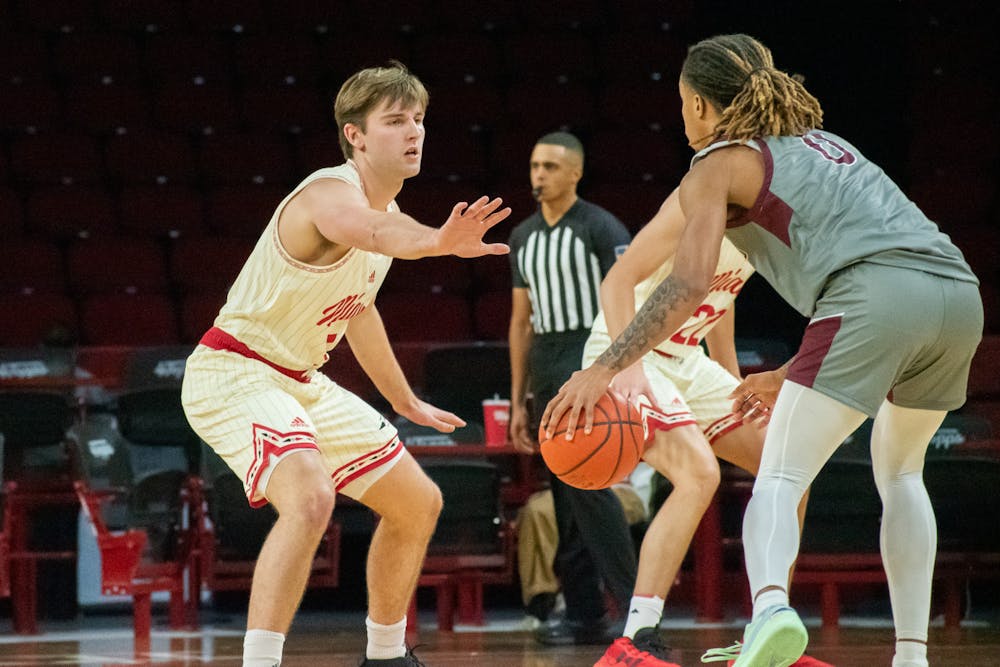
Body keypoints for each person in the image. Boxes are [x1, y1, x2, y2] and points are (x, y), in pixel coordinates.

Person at [542, 34, 983, 667]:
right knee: (902, 471)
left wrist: (606, 367)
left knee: (778, 473)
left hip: (869, 301)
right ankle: (909, 656)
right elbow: (878, 263)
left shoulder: (717, 166)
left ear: (698, 105)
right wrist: (782, 373)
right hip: (956, 294)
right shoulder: (828, 147)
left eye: (683, 102)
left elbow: (693, 284)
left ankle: (770, 616)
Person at [181, 61, 511, 667]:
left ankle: (386, 657)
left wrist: (404, 399)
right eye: (394, 121)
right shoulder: (328, 194)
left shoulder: (388, 205)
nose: (413, 131)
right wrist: (439, 241)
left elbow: (358, 310)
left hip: (299, 380)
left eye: (418, 120)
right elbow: (381, 233)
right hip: (234, 371)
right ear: (355, 135)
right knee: (309, 498)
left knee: (418, 502)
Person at [575, 188, 826, 667]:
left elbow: (722, 296)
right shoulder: (696, 198)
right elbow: (617, 282)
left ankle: (769, 629)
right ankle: (634, 641)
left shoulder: (767, 219)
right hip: (628, 352)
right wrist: (623, 364)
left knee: (791, 465)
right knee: (699, 475)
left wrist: (732, 380)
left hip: (688, 361)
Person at [508, 131, 637, 645]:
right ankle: (584, 612)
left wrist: (616, 368)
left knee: (594, 489)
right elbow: (520, 322)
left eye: (550, 167)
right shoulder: (522, 237)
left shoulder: (601, 228)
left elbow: (625, 302)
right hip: (546, 363)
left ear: (575, 173)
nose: (539, 174)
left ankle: (636, 609)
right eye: (535, 165)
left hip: (591, 358)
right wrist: (518, 399)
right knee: (564, 494)